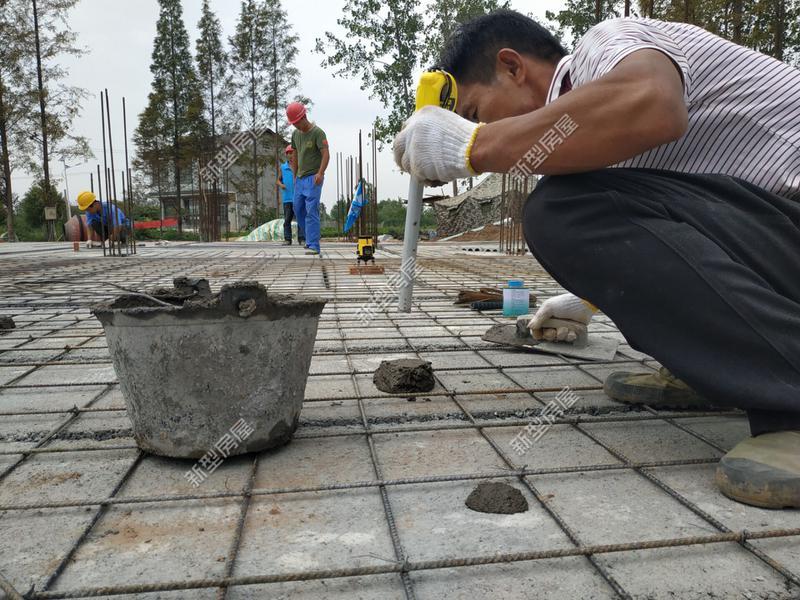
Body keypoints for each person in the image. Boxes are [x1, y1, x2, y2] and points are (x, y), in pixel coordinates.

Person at [393, 10, 800, 509]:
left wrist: (478, 145)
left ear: (513, 67)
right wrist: (593, 297)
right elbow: (679, 230)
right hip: (782, 238)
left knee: (560, 210)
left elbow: (652, 104)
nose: (479, 127)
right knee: (566, 203)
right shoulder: (593, 152)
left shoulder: (605, 46)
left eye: (477, 112)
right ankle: (710, 367)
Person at [286, 101, 329, 256]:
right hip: (300, 178)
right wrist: (294, 174)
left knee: (311, 210)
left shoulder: (318, 133)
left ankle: (313, 245)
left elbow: (326, 154)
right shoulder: (296, 135)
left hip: (313, 177)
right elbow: (296, 154)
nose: (296, 126)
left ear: (304, 116)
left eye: (297, 123)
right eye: (293, 124)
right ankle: (310, 239)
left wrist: (321, 173)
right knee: (298, 209)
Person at [277, 145, 303, 246]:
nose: (290, 155)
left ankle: (302, 238)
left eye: (292, 152)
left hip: (298, 197)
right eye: (288, 153)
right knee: (287, 220)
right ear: (286, 155)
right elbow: (278, 180)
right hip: (287, 198)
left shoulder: (300, 166)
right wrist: (281, 184)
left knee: (300, 219)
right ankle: (287, 239)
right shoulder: (283, 167)